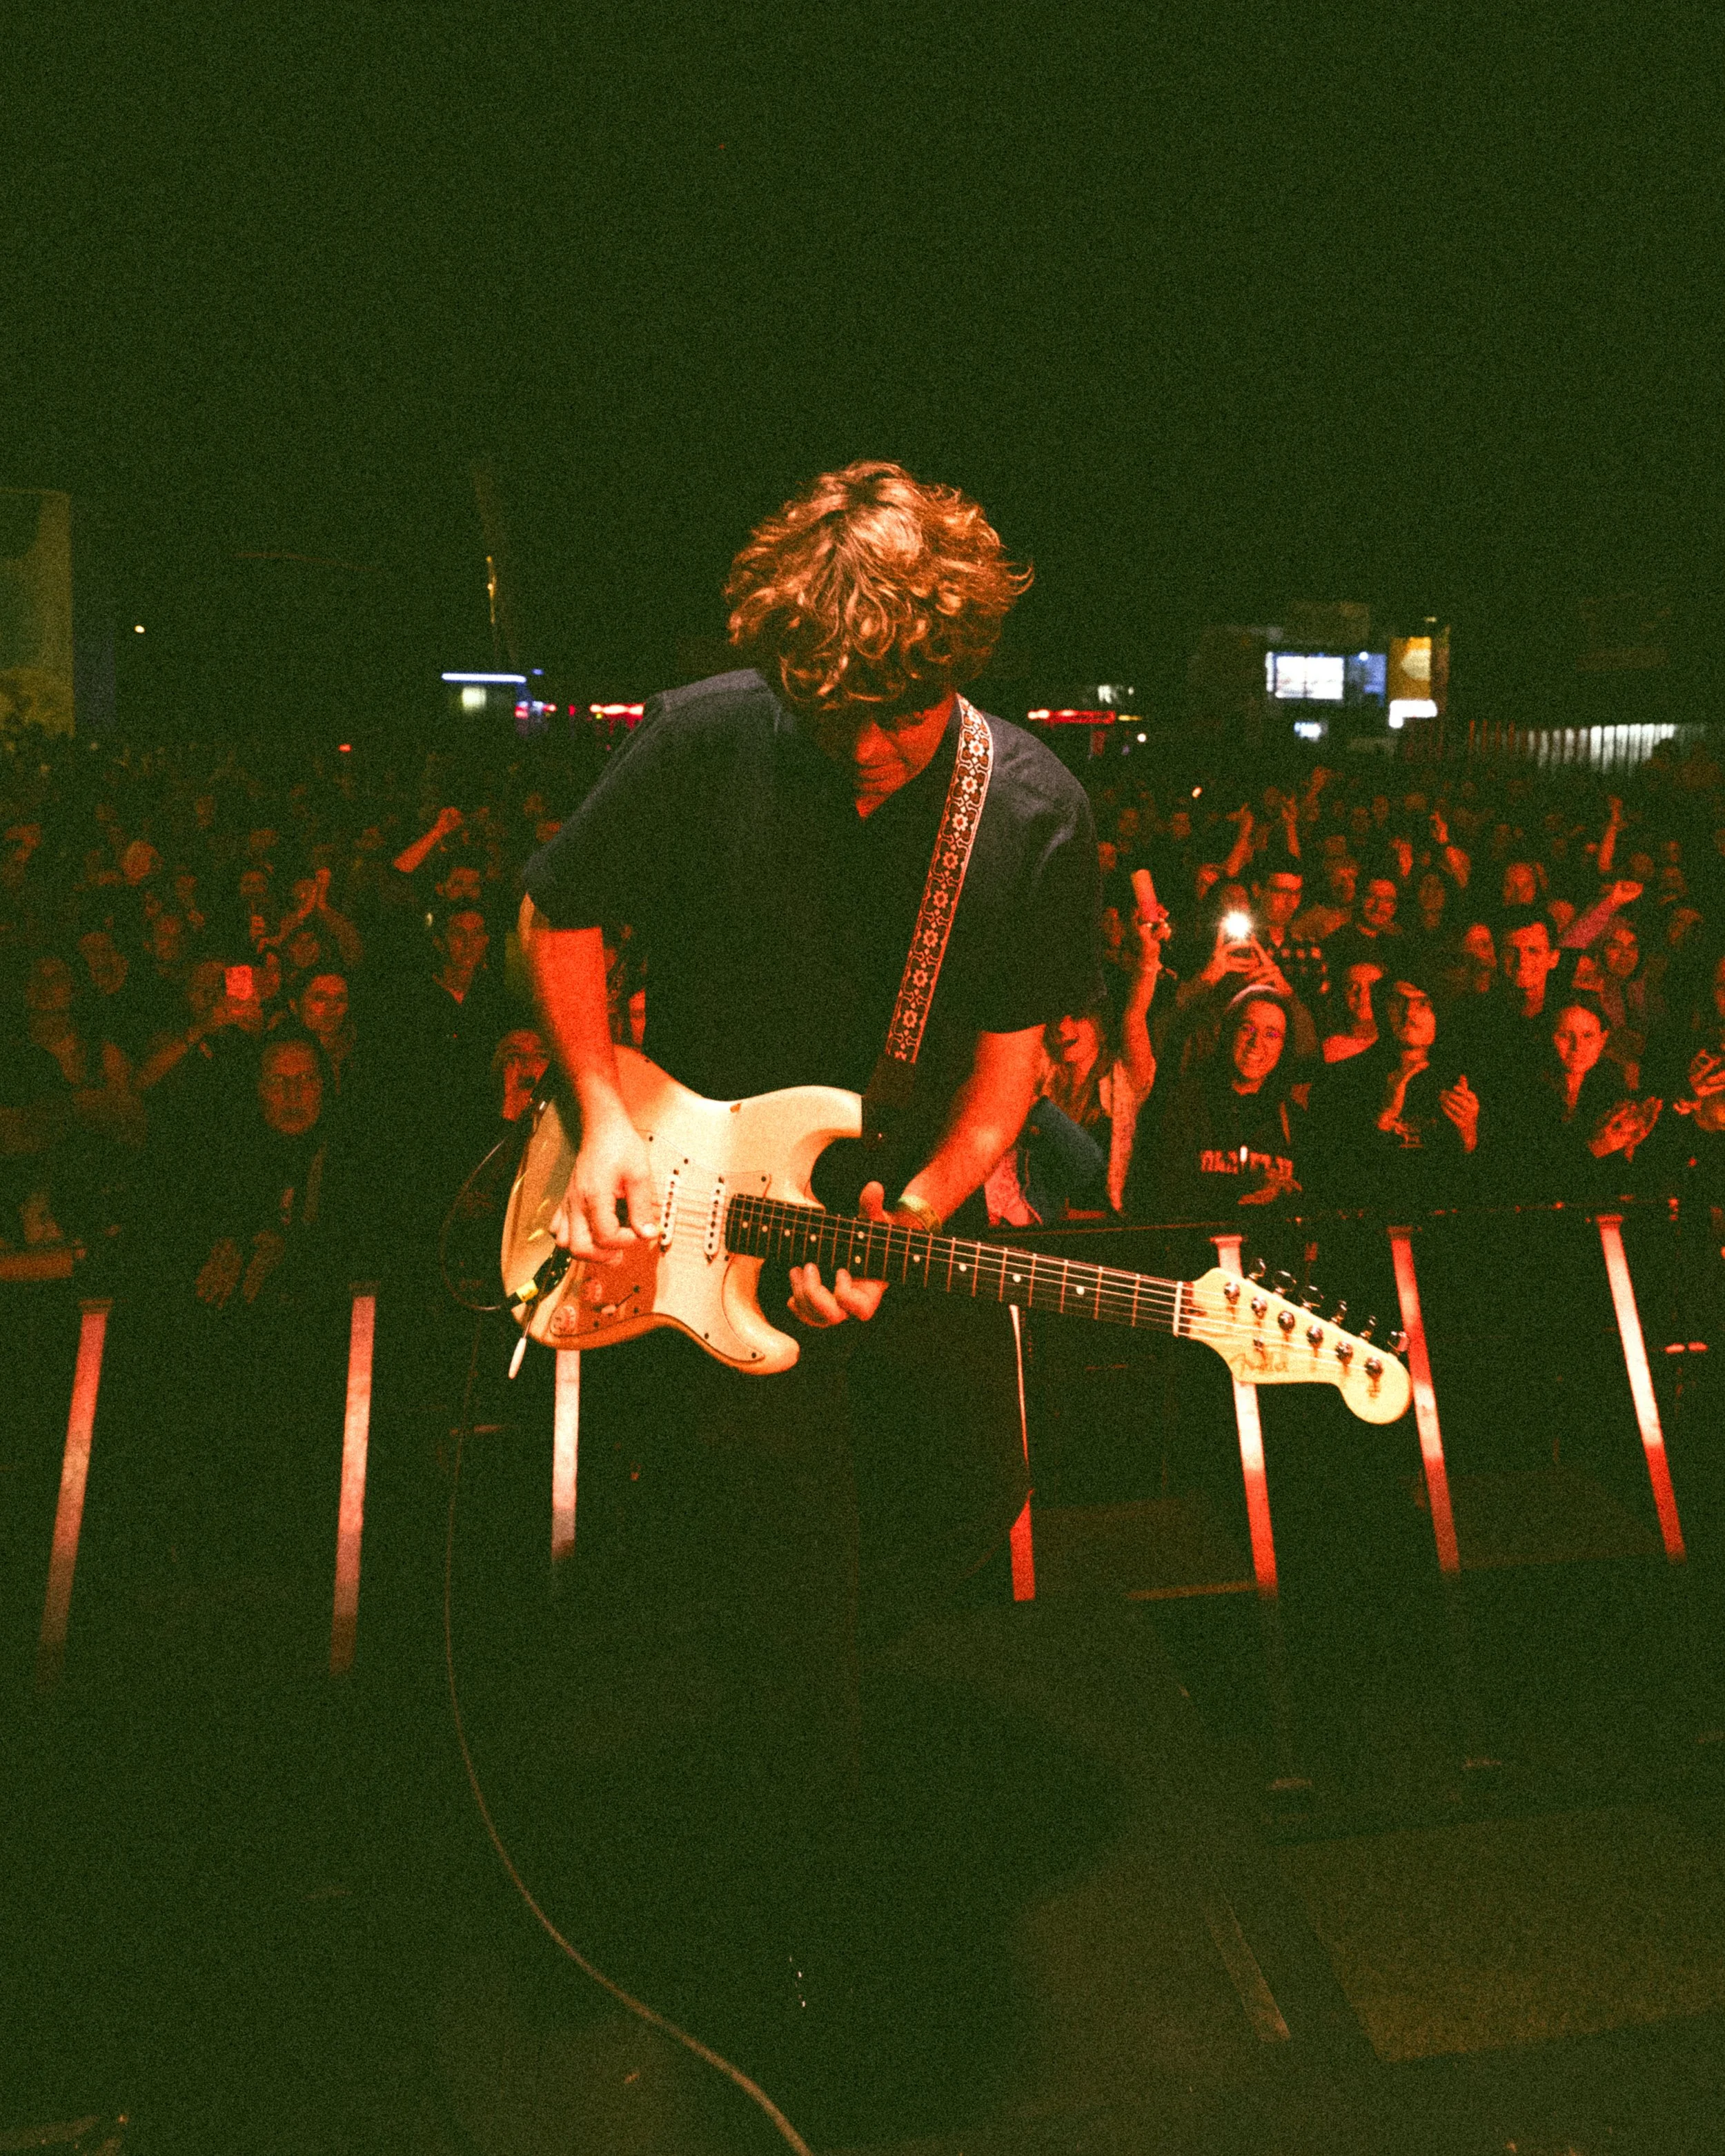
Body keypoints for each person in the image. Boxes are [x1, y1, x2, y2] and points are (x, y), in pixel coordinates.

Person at [518, 459, 1101, 2099]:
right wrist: (599, 1114)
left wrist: (913, 1212)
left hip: (880, 1215)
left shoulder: (1032, 811)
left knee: (965, 1493)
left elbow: (1010, 1071)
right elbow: (559, 915)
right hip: (694, 1200)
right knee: (785, 1575)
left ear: (957, 667)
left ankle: (813, 1739)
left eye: (897, 717)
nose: (860, 747)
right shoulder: (706, 737)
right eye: (826, 710)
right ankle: (801, 1889)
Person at [1133, 987, 1302, 1215]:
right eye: (1247, 1028)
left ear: (1284, 1047)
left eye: (1271, 1034)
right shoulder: (1183, 1103)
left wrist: (1285, 1194)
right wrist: (1239, 1189)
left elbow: (1314, 1199)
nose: (1256, 1042)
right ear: (1228, 1033)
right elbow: (1157, 1193)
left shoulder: (1293, 1119)